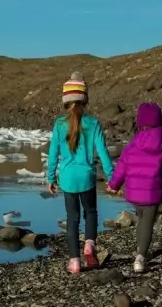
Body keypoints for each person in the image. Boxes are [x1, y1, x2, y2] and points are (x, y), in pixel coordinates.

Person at [47, 72, 114, 274]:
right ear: (84, 100)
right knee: (91, 212)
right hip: (86, 177)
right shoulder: (93, 124)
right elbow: (103, 153)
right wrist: (112, 178)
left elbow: (53, 154)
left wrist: (50, 177)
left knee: (72, 218)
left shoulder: (59, 124)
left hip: (67, 178)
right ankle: (89, 245)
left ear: (66, 101)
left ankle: (74, 261)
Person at [106, 102, 162, 273]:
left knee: (141, 218)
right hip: (152, 192)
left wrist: (113, 185)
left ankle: (140, 250)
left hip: (133, 192)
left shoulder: (132, 145)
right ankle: (140, 257)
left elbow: (121, 168)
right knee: (147, 221)